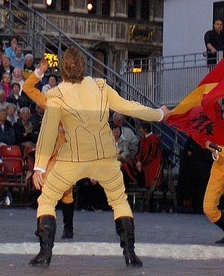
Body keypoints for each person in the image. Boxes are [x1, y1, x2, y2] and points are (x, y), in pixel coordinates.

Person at [27, 46, 168, 268]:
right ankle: (130, 254)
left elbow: (48, 132)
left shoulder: (57, 94)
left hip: (73, 157)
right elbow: (129, 107)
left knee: (47, 199)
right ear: (84, 66)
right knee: (119, 201)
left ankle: (45, 254)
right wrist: (158, 114)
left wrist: (40, 167)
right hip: (104, 156)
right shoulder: (100, 86)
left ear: (62, 69)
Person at [22, 65, 77, 241]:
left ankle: (68, 228)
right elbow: (27, 88)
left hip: (66, 155)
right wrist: (39, 71)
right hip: (48, 154)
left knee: (66, 193)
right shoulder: (50, 102)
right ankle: (43, 227)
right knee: (46, 194)